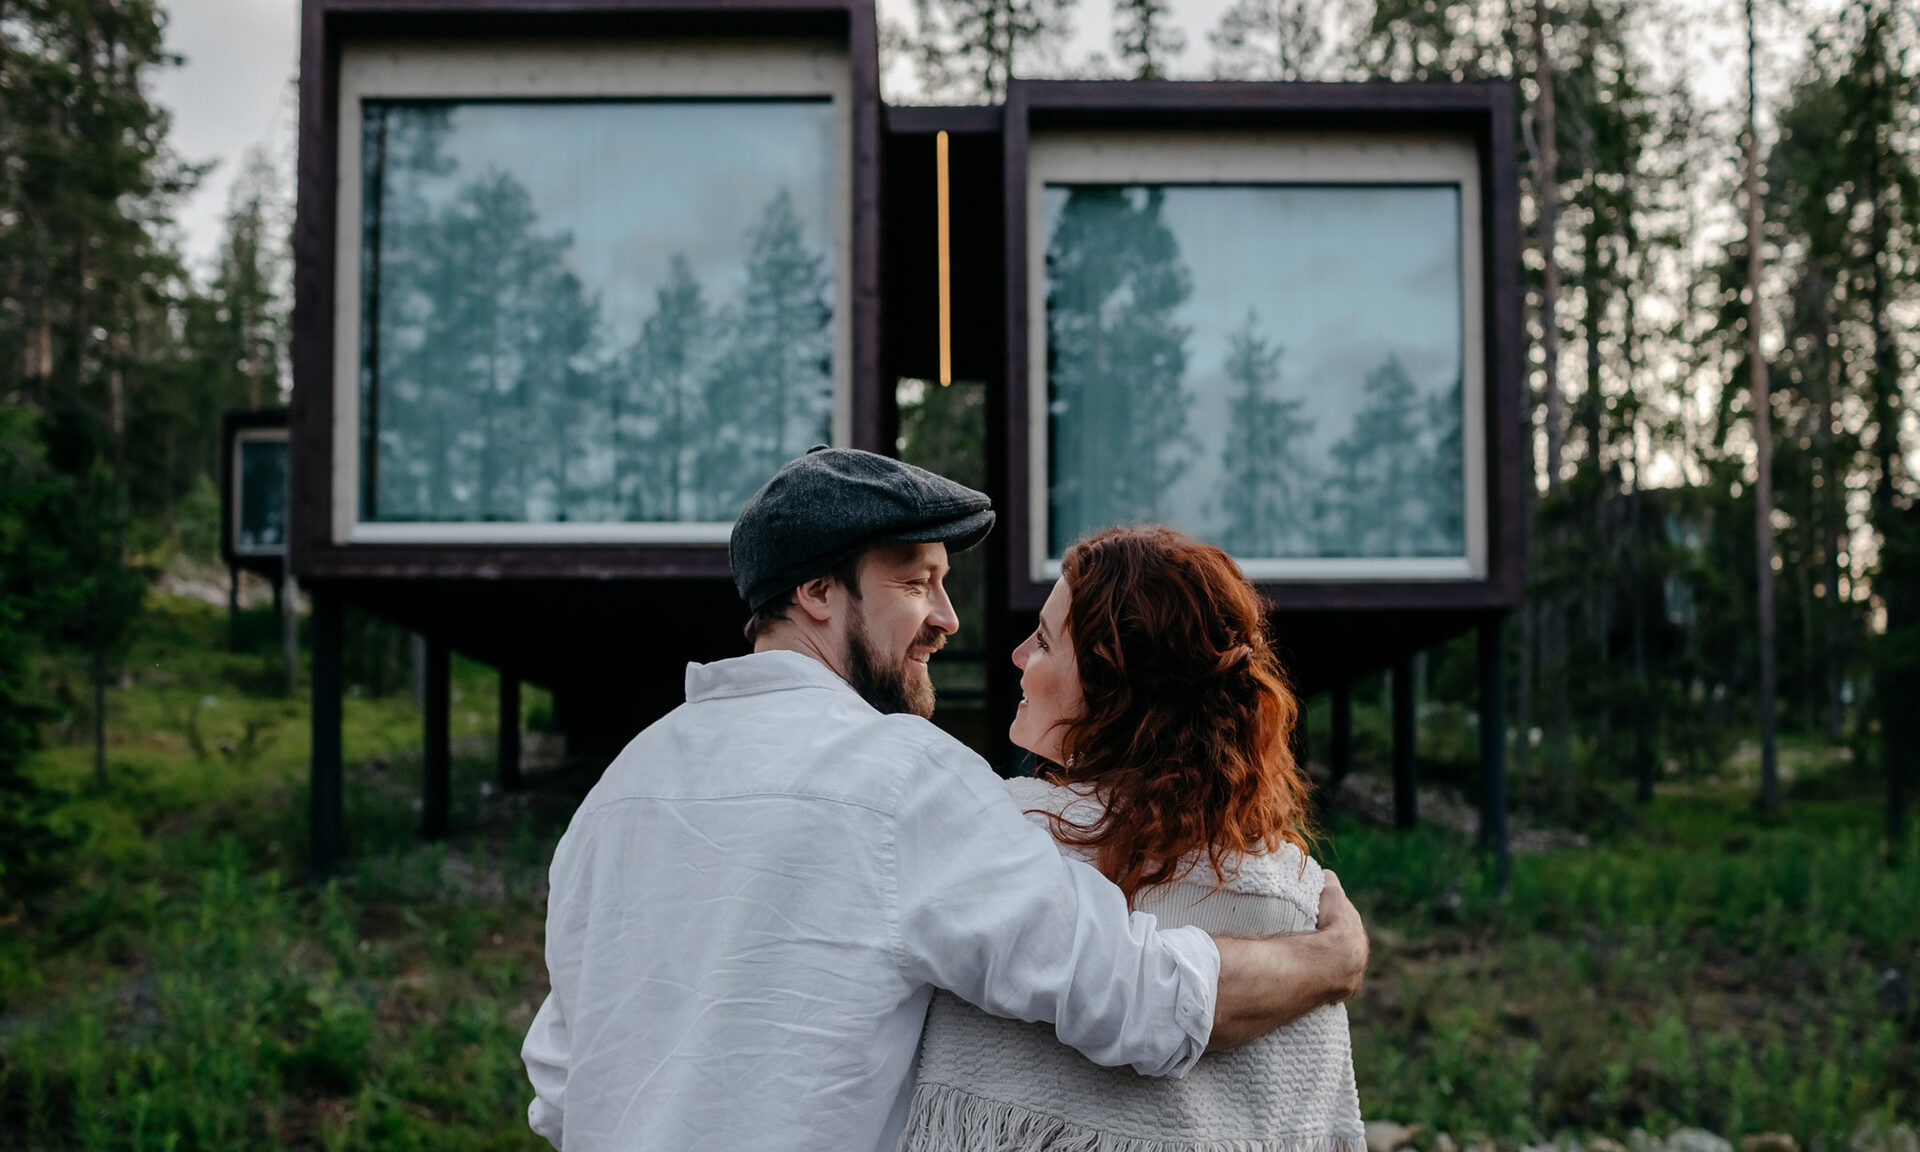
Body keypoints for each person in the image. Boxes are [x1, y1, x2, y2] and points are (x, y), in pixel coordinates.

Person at [520, 448, 1368, 1152]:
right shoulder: (898, 778)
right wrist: (1330, 961)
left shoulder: (616, 794)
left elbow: (560, 1080)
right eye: (917, 582)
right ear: (818, 592)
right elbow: (1135, 995)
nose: (949, 619)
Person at [901, 524, 1366, 1152]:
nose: (1016, 655)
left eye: (1041, 641)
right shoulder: (1294, 895)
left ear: (1108, 687)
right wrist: (1336, 958)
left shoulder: (998, 835)